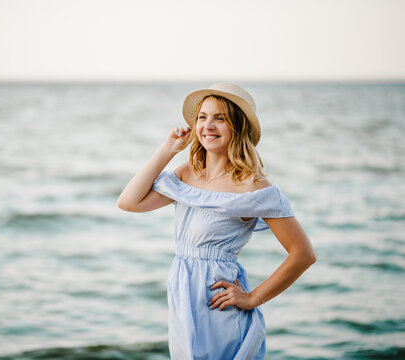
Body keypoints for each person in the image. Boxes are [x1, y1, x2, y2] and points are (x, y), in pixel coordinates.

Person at [116, 82, 316, 360]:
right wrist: (167, 150)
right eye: (202, 117)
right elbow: (128, 201)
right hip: (183, 298)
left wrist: (253, 297)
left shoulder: (254, 187)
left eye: (220, 118)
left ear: (238, 126)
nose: (208, 126)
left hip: (217, 304)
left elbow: (303, 255)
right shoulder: (188, 173)